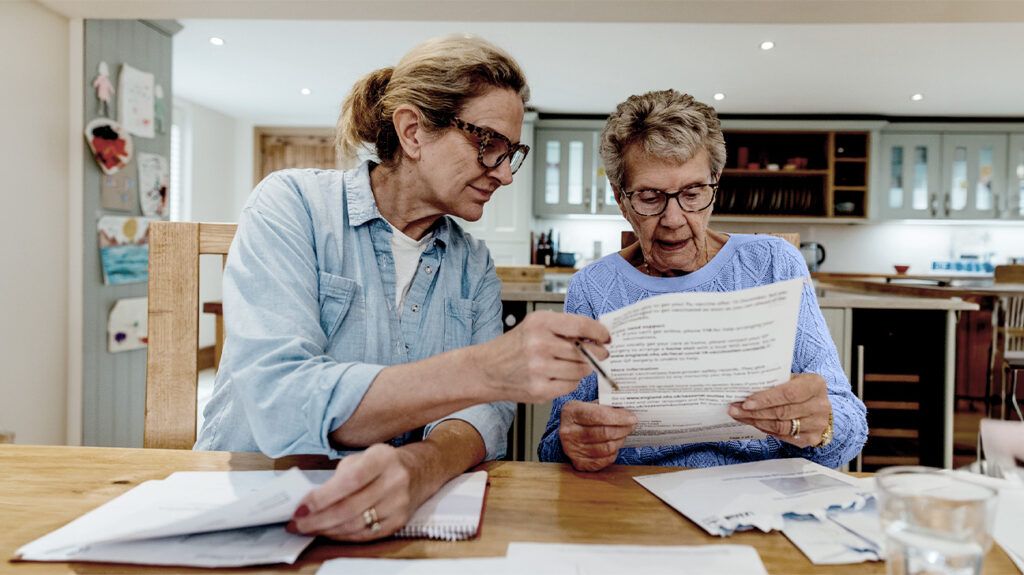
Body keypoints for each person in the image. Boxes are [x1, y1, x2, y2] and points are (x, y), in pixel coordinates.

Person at [195, 35, 610, 541]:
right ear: (413, 132)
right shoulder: (292, 205)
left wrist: (420, 468)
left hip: (392, 520)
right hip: (253, 509)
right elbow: (281, 402)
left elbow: (483, 417)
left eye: (511, 153)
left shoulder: (471, 263)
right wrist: (490, 368)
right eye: (488, 145)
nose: (503, 174)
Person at [538, 90, 867, 472]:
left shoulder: (774, 265)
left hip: (760, 495)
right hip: (635, 496)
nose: (674, 218)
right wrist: (576, 443)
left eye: (692, 193)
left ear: (715, 184)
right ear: (621, 198)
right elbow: (553, 449)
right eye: (649, 197)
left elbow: (849, 433)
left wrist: (820, 424)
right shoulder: (592, 288)